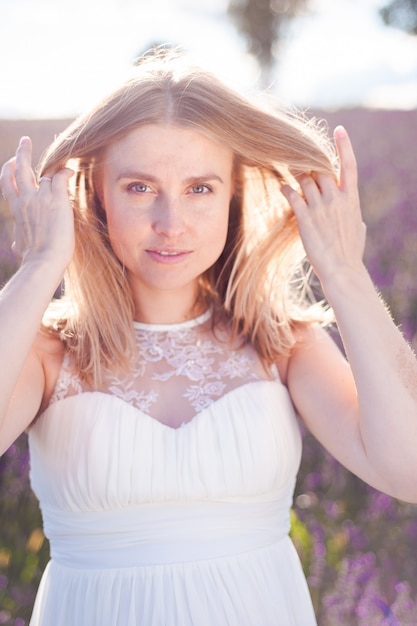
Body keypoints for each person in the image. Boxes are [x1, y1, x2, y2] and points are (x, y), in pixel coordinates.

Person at [1, 48, 417, 626]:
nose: (171, 222)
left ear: (233, 198)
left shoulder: (282, 343)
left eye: (200, 188)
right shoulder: (49, 351)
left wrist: (344, 273)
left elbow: (409, 468)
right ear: (95, 196)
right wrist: (41, 265)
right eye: (140, 187)